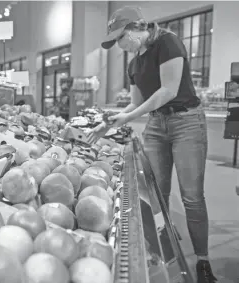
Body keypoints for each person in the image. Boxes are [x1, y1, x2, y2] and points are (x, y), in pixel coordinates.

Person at [88, 6, 216, 283]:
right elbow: (135, 103)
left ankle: (203, 260)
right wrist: (108, 123)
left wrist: (130, 117)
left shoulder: (167, 42)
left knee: (191, 196)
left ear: (136, 28)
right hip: (157, 125)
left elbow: (168, 90)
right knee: (157, 192)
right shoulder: (134, 63)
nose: (121, 45)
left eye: (121, 38)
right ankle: (167, 243)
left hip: (187, 122)